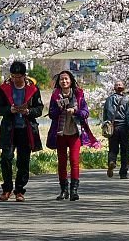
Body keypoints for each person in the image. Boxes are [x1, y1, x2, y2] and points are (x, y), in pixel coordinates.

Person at [0, 60, 44, 202]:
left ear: (24, 76)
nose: (16, 79)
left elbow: (39, 109)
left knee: (23, 161)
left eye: (19, 76)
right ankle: (7, 188)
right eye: (13, 76)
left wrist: (28, 111)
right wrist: (9, 110)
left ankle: (20, 190)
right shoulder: (5, 88)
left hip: (26, 129)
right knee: (6, 158)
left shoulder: (33, 88)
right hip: (9, 129)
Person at [47, 70, 98, 201]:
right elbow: (51, 114)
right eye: (61, 79)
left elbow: (86, 113)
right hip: (60, 133)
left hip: (75, 133)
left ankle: (74, 190)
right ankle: (63, 190)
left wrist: (75, 111)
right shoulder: (55, 96)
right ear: (58, 82)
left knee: (75, 162)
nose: (64, 81)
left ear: (71, 81)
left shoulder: (79, 95)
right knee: (62, 163)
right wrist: (59, 108)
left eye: (66, 79)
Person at [102, 80, 129, 179]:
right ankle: (123, 172)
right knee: (125, 151)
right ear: (123, 88)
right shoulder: (126, 100)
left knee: (113, 148)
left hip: (113, 127)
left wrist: (107, 125)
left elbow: (105, 114)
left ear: (114, 88)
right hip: (124, 128)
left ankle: (112, 161)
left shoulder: (108, 99)